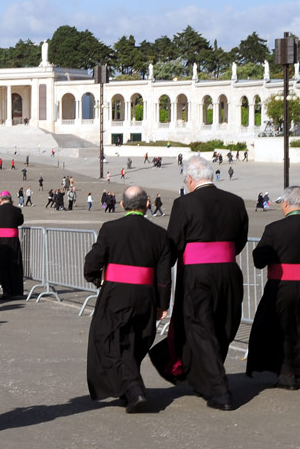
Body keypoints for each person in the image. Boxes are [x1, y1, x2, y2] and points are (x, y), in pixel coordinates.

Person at [150, 156, 248, 411]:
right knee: (223, 323)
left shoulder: (184, 203)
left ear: (191, 179)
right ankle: (207, 375)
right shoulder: (235, 201)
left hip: (197, 273)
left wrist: (161, 270)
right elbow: (241, 239)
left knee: (200, 327)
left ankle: (219, 390)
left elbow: (173, 241)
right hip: (228, 271)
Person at [84, 186, 172, 412]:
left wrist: (95, 279)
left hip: (115, 294)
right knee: (134, 342)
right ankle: (127, 389)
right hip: (145, 296)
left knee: (108, 341)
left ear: (122, 204)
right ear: (147, 204)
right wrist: (163, 303)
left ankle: (134, 389)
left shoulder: (110, 229)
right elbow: (164, 275)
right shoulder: (160, 234)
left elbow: (93, 262)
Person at [246, 186, 300, 390]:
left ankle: (287, 375)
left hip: (281, 286)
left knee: (282, 329)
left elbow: (259, 260)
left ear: (285, 204)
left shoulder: (274, 229)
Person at [0, 191, 25, 299]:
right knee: (15, 265)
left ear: (1, 199)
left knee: (2, 266)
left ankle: (6, 291)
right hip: (13, 241)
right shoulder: (17, 210)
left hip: (0, 242)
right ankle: (16, 291)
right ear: (11, 200)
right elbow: (20, 222)